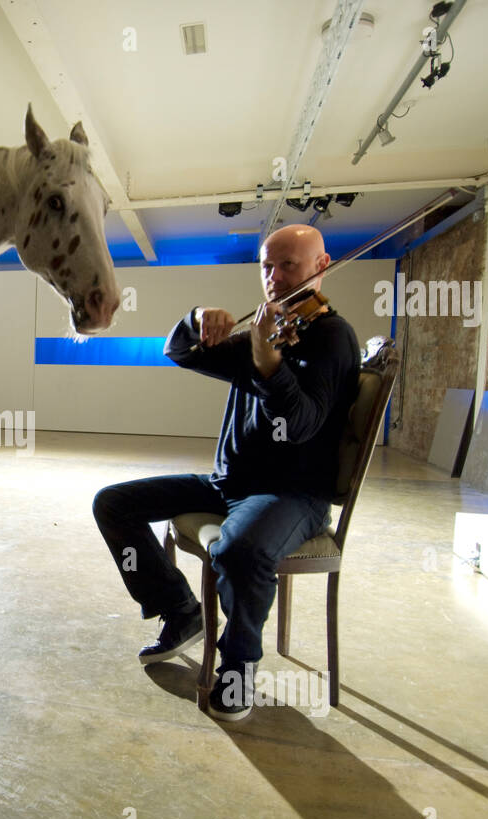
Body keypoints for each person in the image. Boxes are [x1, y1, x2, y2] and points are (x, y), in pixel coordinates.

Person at [92, 225, 359, 721]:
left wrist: (268, 363)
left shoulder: (330, 338)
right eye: (266, 266)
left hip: (291, 496)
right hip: (227, 486)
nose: (274, 278)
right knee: (112, 504)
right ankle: (179, 609)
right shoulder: (269, 327)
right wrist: (195, 320)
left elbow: (299, 425)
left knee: (239, 549)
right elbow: (179, 351)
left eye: (288, 266)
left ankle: (239, 664)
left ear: (321, 266)